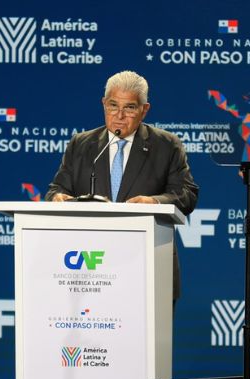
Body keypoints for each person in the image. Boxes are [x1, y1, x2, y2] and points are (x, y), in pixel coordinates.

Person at [46, 70, 199, 299]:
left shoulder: (166, 145)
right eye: (112, 105)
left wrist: (154, 202)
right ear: (103, 104)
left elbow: (187, 194)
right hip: (90, 270)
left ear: (144, 110)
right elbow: (57, 189)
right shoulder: (81, 145)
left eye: (129, 108)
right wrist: (57, 198)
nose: (119, 115)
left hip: (147, 265)